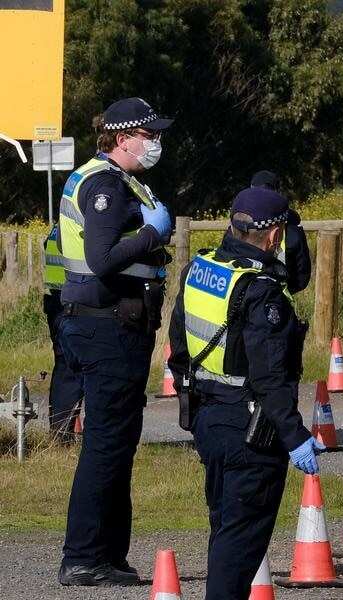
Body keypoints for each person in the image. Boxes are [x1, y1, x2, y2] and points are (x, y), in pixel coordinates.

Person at [167, 186, 323, 600]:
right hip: (248, 430)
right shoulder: (262, 290)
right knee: (239, 544)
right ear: (274, 237)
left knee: (224, 528)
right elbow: (272, 377)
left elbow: (178, 346)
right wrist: (294, 436)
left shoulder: (201, 268)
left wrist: (194, 403)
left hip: (208, 418)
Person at [57, 97, 174, 587]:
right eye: (149, 135)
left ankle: (108, 554)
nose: (156, 143)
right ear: (123, 138)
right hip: (108, 326)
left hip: (107, 324)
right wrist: (152, 233)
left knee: (118, 442)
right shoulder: (105, 185)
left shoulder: (108, 178)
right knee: (107, 444)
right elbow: (103, 258)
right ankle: (84, 557)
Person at [42, 222, 84, 439]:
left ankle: (60, 432)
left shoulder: (59, 224)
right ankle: (62, 434)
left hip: (57, 301)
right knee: (75, 370)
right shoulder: (80, 221)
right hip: (74, 302)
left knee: (64, 369)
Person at [250, 170, 311, 294]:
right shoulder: (293, 230)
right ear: (277, 193)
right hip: (278, 298)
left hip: (242, 298)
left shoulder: (239, 225)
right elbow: (302, 277)